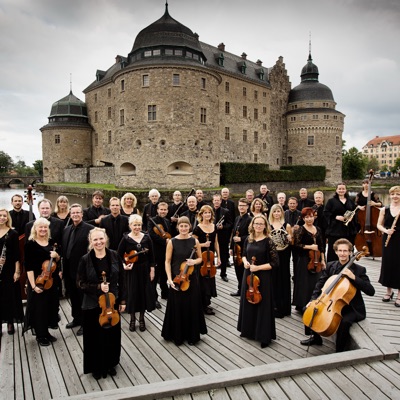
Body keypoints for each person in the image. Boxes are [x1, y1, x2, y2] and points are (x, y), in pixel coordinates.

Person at [300, 239, 375, 352]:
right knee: (308, 309)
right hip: (331, 303)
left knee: (345, 322)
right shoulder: (330, 266)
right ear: (336, 252)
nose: (342, 253)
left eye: (345, 251)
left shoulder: (359, 270)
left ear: (350, 252)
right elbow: (319, 284)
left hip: (351, 306)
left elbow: (371, 291)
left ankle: (339, 350)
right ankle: (316, 338)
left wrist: (353, 277)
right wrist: (313, 299)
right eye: (340, 251)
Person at [77, 228, 126, 379]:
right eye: (95, 240)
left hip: (112, 303)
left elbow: (123, 279)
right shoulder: (85, 259)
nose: (99, 242)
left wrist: (123, 300)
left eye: (101, 239)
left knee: (111, 335)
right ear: (91, 242)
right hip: (92, 304)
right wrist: (98, 287)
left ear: (106, 239)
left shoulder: (114, 255)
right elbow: (79, 283)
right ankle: (96, 366)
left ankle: (110, 363)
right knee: (94, 336)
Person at [162, 216, 207, 346]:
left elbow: (200, 259)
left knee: (191, 305)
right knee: (178, 306)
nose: (183, 228)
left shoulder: (195, 241)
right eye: (181, 226)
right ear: (178, 227)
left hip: (191, 278)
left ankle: (192, 335)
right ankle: (178, 335)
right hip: (177, 278)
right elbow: (167, 261)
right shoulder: (172, 242)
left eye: (186, 226)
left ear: (189, 227)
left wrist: (194, 261)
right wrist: (169, 279)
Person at [237, 215, 278, 348]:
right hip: (248, 275)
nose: (258, 226)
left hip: (263, 277)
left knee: (263, 305)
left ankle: (264, 336)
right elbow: (243, 254)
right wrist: (245, 262)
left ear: (265, 226)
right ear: (253, 225)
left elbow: (275, 263)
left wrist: (258, 267)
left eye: (261, 224)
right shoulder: (248, 239)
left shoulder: (268, 241)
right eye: (256, 224)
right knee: (248, 302)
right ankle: (248, 330)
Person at [23, 218, 61, 346]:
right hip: (38, 281)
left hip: (51, 280)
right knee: (39, 308)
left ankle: (46, 332)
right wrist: (33, 285)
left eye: (45, 227)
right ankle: (40, 335)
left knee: (49, 306)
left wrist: (57, 256)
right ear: (35, 229)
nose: (43, 229)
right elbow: (28, 268)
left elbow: (57, 261)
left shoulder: (51, 242)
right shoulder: (30, 244)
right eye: (41, 227)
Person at [117, 214, 155, 332]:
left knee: (143, 294)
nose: (137, 227)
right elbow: (118, 255)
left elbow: (152, 256)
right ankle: (132, 319)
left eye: (139, 225)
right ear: (130, 225)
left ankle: (142, 319)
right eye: (135, 225)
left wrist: (152, 269)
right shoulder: (126, 238)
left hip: (144, 269)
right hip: (132, 270)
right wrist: (124, 265)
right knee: (132, 294)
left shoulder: (146, 237)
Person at [61, 204, 92, 336]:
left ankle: (86, 323)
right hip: (68, 270)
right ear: (70, 214)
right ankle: (76, 319)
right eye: (73, 213)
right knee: (73, 296)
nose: (75, 215)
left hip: (82, 271)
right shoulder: (66, 229)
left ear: (82, 214)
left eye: (78, 212)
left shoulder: (90, 229)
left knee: (83, 298)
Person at [292, 208, 326, 313]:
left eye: (311, 216)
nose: (309, 219)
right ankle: (303, 305)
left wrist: (323, 260)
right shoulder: (301, 230)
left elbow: (321, 246)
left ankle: (316, 303)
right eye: (306, 217)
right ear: (303, 218)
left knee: (317, 281)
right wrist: (309, 246)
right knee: (304, 283)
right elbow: (296, 245)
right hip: (304, 260)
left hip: (317, 260)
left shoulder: (318, 229)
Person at [192, 205, 220, 315]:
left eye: (209, 212)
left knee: (210, 279)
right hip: (201, 258)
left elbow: (216, 242)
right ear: (201, 214)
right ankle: (202, 305)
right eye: (205, 213)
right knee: (202, 280)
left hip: (211, 257)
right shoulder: (197, 228)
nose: (207, 214)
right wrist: (204, 244)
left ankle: (207, 302)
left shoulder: (214, 226)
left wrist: (219, 257)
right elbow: (194, 245)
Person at [0, 208, 23, 335]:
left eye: (4, 216)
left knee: (9, 295)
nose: (2, 217)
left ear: (7, 218)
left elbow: (16, 255)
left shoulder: (13, 233)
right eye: (0, 215)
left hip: (9, 269)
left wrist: (17, 271)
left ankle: (10, 321)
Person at [377, 186, 400, 305]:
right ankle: (389, 291)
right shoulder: (384, 209)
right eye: (393, 194)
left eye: (398, 194)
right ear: (390, 195)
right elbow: (379, 225)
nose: (395, 196)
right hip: (388, 239)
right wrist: (386, 231)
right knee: (388, 263)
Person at [324, 183, 357, 262]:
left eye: (343, 189)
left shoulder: (350, 201)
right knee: (333, 251)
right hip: (335, 230)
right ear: (336, 190)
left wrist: (352, 216)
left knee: (347, 249)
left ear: (346, 190)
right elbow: (326, 212)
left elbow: (354, 211)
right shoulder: (331, 201)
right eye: (339, 189)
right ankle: (332, 269)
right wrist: (336, 217)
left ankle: (346, 268)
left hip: (348, 230)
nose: (341, 190)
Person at [268, 204, 292, 317]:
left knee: (284, 278)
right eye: (275, 212)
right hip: (273, 254)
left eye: (279, 211)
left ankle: (285, 308)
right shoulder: (269, 226)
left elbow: (291, 241)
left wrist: (289, 238)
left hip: (284, 254)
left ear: (282, 213)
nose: (277, 213)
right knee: (274, 279)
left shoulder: (286, 225)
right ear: (272, 213)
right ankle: (275, 306)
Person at [147, 202, 170, 306]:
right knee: (155, 276)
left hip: (166, 251)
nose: (163, 211)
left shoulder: (167, 221)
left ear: (167, 211)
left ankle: (165, 293)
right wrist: (163, 241)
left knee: (164, 274)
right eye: (161, 209)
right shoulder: (152, 221)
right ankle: (154, 298)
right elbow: (151, 235)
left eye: (165, 210)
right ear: (157, 210)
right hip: (155, 251)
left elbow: (169, 234)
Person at [230, 198, 251, 296]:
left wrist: (241, 239)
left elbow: (251, 235)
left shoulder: (250, 220)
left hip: (245, 248)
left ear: (247, 207)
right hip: (236, 249)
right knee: (237, 270)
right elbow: (233, 234)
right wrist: (231, 247)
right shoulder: (237, 218)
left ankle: (245, 291)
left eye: (243, 205)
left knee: (243, 271)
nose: (241, 207)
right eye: (240, 205)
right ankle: (240, 289)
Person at [212, 194, 233, 282]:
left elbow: (230, 224)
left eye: (218, 200)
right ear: (212, 201)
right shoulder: (209, 211)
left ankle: (223, 274)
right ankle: (211, 273)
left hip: (222, 237)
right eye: (215, 200)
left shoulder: (226, 211)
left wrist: (223, 227)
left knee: (224, 256)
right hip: (211, 236)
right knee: (210, 255)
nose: (216, 202)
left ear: (221, 201)